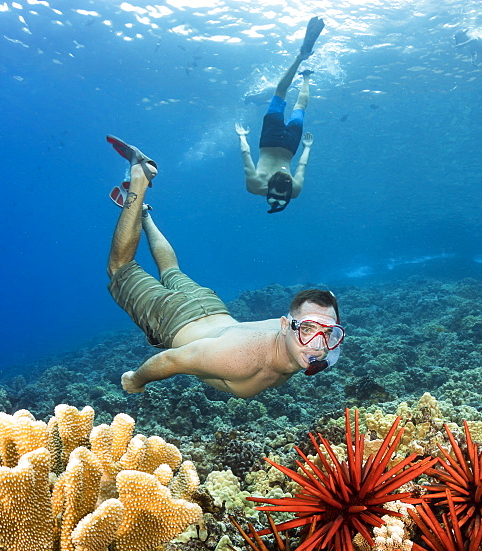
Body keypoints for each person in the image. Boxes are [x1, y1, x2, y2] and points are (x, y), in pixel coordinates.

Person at [103, 135, 344, 398]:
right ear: (285, 325)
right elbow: (168, 361)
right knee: (119, 268)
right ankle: (139, 178)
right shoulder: (238, 359)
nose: (318, 347)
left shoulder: (314, 346)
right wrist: (136, 380)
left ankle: (144, 215)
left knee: (171, 270)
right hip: (173, 318)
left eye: (328, 334)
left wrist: (329, 310)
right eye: (307, 330)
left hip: (212, 308)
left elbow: (322, 321)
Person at [236, 16, 325, 213]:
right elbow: (245, 154)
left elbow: (302, 164)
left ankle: (306, 76)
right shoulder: (254, 185)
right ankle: (300, 58)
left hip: (290, 144)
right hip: (269, 139)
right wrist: (242, 136)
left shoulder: (294, 191)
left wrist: (307, 147)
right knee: (280, 92)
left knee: (300, 107)